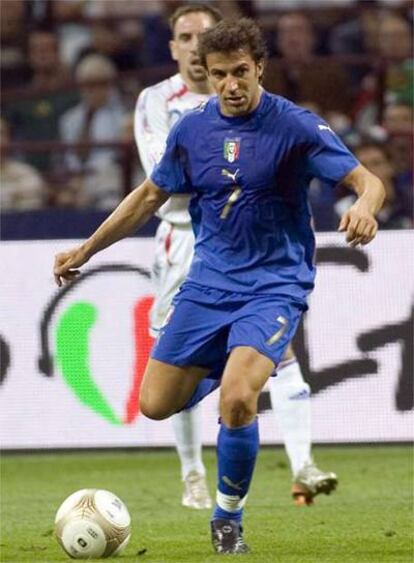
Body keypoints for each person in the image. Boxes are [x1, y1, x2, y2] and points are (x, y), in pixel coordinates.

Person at [54, 19, 385, 555]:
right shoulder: (192, 130)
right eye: (218, 75)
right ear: (203, 75)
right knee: (157, 404)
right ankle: (227, 379)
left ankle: (227, 516)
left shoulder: (295, 127)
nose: (230, 85)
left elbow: (365, 180)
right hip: (208, 284)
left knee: (237, 399)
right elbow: (145, 198)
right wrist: (85, 250)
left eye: (239, 73)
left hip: (275, 284)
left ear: (259, 68)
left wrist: (366, 207)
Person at [134, 3, 338, 510]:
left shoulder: (279, 118)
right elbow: (160, 185)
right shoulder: (161, 103)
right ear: (180, 48)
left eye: (204, 36)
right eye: (185, 37)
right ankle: (191, 472)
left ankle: (299, 463)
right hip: (187, 243)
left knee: (272, 357)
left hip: (260, 252)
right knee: (164, 386)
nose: (196, 48)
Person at [59, 54, 126, 209]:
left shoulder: (123, 117)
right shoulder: (69, 119)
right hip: (74, 181)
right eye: (88, 85)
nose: (93, 90)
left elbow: (116, 160)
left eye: (100, 84)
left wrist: (86, 182)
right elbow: (63, 159)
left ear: (111, 84)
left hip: (107, 180)